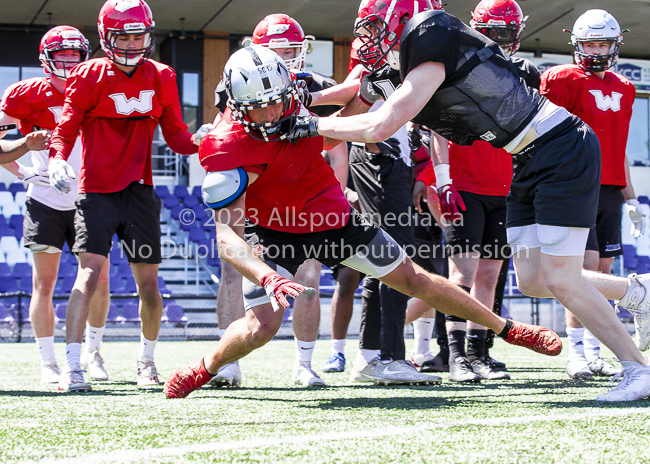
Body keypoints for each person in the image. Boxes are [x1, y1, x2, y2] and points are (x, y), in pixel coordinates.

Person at [285, 0, 650, 402]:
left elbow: (380, 124)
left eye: (377, 25)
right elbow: (362, 88)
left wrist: (307, 123)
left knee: (561, 277)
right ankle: (636, 293)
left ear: (407, 19)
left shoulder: (432, 39)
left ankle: (637, 369)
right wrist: (299, 98)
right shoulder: (422, 54)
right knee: (532, 279)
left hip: (559, 147)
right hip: (529, 155)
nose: (369, 36)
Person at [163, 44, 561, 399]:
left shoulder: (298, 97)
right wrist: (268, 275)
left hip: (332, 217)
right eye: (257, 107)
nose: (270, 114)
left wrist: (371, 90)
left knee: (414, 278)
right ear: (234, 103)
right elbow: (227, 236)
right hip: (274, 229)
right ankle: (205, 368)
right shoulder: (223, 145)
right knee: (261, 327)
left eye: (277, 102)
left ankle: (506, 328)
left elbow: (337, 128)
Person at [48, 0, 209, 392]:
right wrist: (56, 158)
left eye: (139, 35)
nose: (134, 43)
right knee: (88, 275)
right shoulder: (88, 74)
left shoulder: (162, 75)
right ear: (107, 37)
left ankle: (146, 362)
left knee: (150, 286)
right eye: (125, 35)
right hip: (97, 189)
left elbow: (176, 138)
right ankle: (73, 366)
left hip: (140, 189)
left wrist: (200, 141)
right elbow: (66, 127)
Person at [208, 13, 348, 388]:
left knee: (309, 273)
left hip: (302, 192)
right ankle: (227, 363)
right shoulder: (235, 89)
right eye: (278, 51)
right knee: (233, 271)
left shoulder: (313, 86)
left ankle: (304, 363)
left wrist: (339, 187)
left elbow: (339, 140)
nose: (285, 59)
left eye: (291, 51)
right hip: (254, 195)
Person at [429, 0, 539, 382]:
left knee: (490, 275)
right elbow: (436, 128)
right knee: (463, 271)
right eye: (491, 32)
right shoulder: (452, 68)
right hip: (464, 185)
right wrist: (442, 179)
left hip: (504, 187)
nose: (497, 40)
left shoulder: (525, 73)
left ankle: (479, 352)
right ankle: (455, 354)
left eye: (505, 32)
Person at [0, 26, 111, 384]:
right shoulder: (22, 96)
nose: (68, 62)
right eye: (60, 56)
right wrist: (22, 169)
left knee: (101, 281)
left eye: (74, 55)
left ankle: (93, 352)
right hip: (44, 199)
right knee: (43, 284)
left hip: (88, 197)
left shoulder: (97, 86)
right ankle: (48, 362)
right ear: (46, 59)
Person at [540, 9, 642, 380]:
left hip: (611, 187)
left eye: (603, 43)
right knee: (580, 271)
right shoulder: (561, 79)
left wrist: (631, 198)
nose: (597, 50)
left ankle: (597, 352)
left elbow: (620, 146)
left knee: (603, 272)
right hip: (575, 186)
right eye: (590, 43)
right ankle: (578, 352)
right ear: (576, 45)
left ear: (615, 45)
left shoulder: (626, 87)